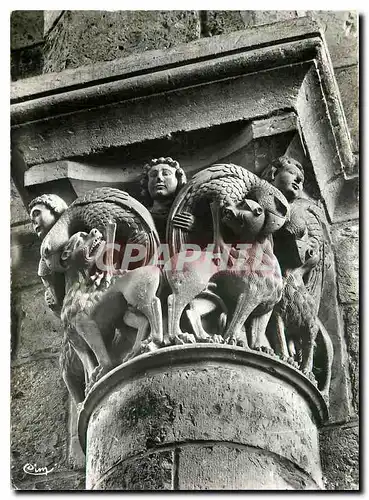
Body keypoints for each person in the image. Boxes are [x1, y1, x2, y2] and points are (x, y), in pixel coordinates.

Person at [29, 194, 68, 314]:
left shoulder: (77, 237)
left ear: (55, 209)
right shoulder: (45, 257)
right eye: (31, 221)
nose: (34, 222)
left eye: (36, 213)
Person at [140, 157, 187, 240]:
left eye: (166, 174)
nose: (159, 178)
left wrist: (195, 226)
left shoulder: (185, 213)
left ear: (178, 180)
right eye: (153, 175)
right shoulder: (141, 216)